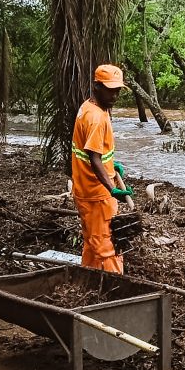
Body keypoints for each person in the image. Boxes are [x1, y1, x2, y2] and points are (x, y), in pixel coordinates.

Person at [71, 64, 133, 274]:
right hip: (97, 195)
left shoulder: (89, 108)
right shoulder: (97, 117)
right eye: (110, 89)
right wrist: (111, 188)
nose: (114, 95)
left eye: (117, 90)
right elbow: (94, 158)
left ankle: (86, 281)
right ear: (97, 86)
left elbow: (91, 151)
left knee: (92, 243)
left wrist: (111, 164)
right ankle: (116, 292)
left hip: (84, 190)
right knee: (109, 247)